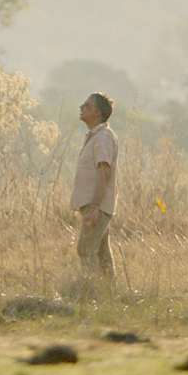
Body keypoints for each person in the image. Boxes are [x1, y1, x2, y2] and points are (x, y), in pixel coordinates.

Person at [70, 92, 119, 279]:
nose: (81, 108)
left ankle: (91, 291)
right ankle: (109, 293)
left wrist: (95, 207)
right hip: (94, 204)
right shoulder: (95, 136)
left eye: (86, 105)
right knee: (101, 252)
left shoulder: (103, 137)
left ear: (96, 112)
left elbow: (103, 172)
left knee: (85, 249)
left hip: (96, 204)